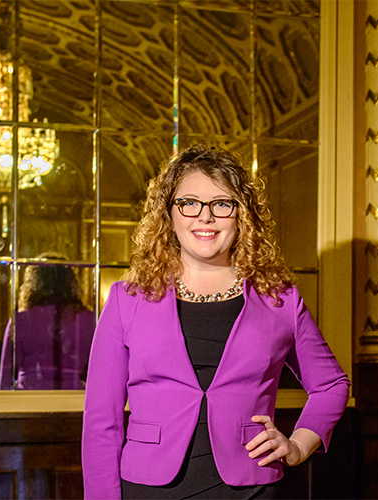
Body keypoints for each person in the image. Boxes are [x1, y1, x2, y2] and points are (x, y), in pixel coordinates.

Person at [82, 145, 350, 499]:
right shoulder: (126, 298)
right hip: (148, 488)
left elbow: (331, 386)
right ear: (169, 213)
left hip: (250, 487)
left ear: (242, 215)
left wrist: (299, 444)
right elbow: (102, 421)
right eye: (189, 203)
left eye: (222, 204)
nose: (204, 217)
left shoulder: (280, 299)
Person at [0, 253, 95, 390]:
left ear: (34, 282)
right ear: (71, 281)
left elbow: (5, 374)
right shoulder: (88, 319)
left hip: (29, 397)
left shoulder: (21, 319)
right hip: (73, 396)